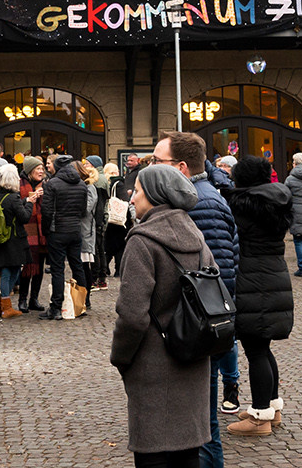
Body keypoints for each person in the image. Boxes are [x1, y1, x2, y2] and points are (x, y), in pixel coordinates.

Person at [110, 164, 215, 467]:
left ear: (155, 195)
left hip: (152, 365)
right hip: (192, 357)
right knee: (187, 453)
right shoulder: (195, 234)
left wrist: (121, 357)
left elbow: (132, 316)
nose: (131, 198)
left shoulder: (142, 241)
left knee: (153, 454)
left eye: (138, 191)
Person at [156, 129, 240, 464]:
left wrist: (191, 330)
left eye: (157, 162)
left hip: (195, 331)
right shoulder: (190, 197)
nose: (151, 169)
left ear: (180, 168)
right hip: (187, 329)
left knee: (204, 427)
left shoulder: (202, 202)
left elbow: (217, 276)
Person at [226, 155, 293, 437]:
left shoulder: (244, 205)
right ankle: (271, 409)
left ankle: (259, 417)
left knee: (255, 349)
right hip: (274, 273)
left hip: (254, 277)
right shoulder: (278, 199)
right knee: (263, 348)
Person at [40, 153, 91, 319]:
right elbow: (83, 210)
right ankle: (81, 304)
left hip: (58, 230)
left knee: (57, 269)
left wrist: (46, 230)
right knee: (77, 266)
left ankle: (56, 308)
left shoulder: (53, 184)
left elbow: (46, 211)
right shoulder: (82, 184)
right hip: (75, 229)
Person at [0, 162, 33, 318]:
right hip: (14, 239)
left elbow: (9, 211)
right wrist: (30, 204)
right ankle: (6, 307)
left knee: (9, 270)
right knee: (10, 272)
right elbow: (24, 217)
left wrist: (24, 201)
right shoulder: (13, 197)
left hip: (0, 239)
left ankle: (0, 305)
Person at [18, 158, 49, 312]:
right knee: (27, 267)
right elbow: (16, 205)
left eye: (42, 168)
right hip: (26, 232)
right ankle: (22, 299)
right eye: (38, 169)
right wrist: (29, 199)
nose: (41, 171)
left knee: (39, 267)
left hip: (42, 232)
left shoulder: (46, 185)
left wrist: (44, 196)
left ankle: (34, 299)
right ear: (30, 170)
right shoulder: (19, 184)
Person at [107, 157, 138, 276]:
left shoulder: (106, 183)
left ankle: (104, 268)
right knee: (120, 245)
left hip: (109, 217)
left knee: (109, 245)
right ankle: (118, 270)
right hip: (119, 218)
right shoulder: (118, 184)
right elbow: (125, 202)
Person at [78, 158, 103, 306]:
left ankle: (86, 299)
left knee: (84, 266)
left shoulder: (90, 187)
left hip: (85, 231)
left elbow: (87, 209)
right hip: (79, 230)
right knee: (80, 266)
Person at [86, 155, 112, 287]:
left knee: (97, 249)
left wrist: (98, 221)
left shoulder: (97, 179)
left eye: (87, 163)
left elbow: (100, 204)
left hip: (98, 218)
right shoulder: (101, 178)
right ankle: (101, 277)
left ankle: (96, 278)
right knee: (100, 249)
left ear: (93, 165)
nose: (85, 166)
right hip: (101, 218)